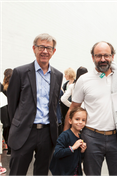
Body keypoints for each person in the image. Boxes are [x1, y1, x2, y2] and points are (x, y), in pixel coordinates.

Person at [63, 41, 117, 176]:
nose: (103, 59)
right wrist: (65, 137)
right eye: (98, 56)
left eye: (106, 55)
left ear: (113, 56)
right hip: (91, 138)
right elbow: (74, 108)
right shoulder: (84, 80)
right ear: (92, 57)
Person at [7, 33, 63, 176]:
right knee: (17, 171)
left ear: (53, 51)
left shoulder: (58, 75)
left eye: (49, 48)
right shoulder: (20, 72)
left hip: (47, 132)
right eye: (41, 47)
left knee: (42, 172)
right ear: (34, 49)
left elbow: (54, 104)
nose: (45, 51)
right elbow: (12, 104)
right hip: (24, 131)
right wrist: (19, 123)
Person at [50, 107, 87, 176]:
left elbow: (78, 157)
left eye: (83, 120)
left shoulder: (80, 137)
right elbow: (57, 153)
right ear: (70, 121)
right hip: (63, 172)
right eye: (77, 119)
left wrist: (82, 151)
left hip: (75, 172)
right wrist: (72, 148)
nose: (80, 122)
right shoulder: (65, 135)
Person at [0, 68, 13, 155]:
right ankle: (12, 148)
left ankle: (10, 148)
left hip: (4, 110)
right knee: (11, 129)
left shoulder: (3, 87)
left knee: (6, 129)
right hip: (12, 110)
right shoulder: (14, 86)